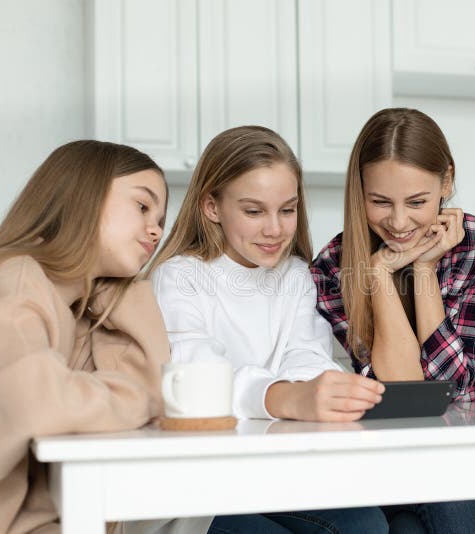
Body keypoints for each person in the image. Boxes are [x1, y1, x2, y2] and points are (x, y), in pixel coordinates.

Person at [149, 125, 389, 533]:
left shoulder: (295, 275)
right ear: (211, 206)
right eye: (254, 211)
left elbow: (307, 352)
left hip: (274, 476)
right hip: (200, 488)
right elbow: (198, 374)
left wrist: (324, 388)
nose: (275, 229)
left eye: (287, 209)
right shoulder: (179, 277)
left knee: (368, 525)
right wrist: (284, 396)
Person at [0, 140, 171, 533]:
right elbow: (33, 400)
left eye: (160, 217)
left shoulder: (74, 310)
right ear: (83, 197)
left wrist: (125, 292)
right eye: (142, 206)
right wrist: (138, 399)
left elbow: (152, 391)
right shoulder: (19, 277)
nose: (156, 228)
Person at [311, 108, 475, 534]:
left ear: (446, 181)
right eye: (380, 202)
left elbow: (454, 386)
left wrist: (424, 268)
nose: (399, 222)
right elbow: (402, 394)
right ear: (359, 191)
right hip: (390, 470)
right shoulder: (334, 265)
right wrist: (378, 273)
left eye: (418, 202)